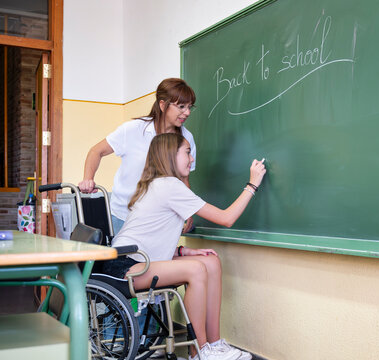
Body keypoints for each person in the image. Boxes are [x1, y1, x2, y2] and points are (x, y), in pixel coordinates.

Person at [104, 133, 266, 360]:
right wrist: (252, 184)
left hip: (139, 260)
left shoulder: (158, 184)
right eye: (187, 152)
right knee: (196, 269)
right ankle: (199, 351)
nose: (192, 159)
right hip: (125, 267)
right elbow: (226, 218)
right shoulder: (169, 185)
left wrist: (183, 251)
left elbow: (152, 237)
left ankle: (214, 344)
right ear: (170, 155)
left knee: (210, 262)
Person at [78, 78, 197, 234]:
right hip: (123, 216)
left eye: (189, 107)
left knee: (154, 259)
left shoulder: (186, 139)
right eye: (181, 107)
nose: (187, 112)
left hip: (160, 220)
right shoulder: (134, 129)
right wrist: (88, 178)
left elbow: (184, 180)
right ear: (162, 105)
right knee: (125, 258)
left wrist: (187, 210)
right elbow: (96, 151)